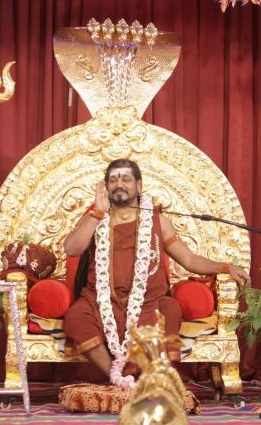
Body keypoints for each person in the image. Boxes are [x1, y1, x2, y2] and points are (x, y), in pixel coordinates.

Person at [62, 159, 250, 388]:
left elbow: (189, 259)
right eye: (113, 180)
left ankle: (142, 378)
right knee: (76, 318)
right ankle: (116, 377)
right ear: (106, 187)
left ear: (139, 186)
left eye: (125, 179)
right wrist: (97, 213)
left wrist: (225, 267)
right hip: (100, 302)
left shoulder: (158, 222)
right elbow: (71, 249)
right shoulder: (95, 217)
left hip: (149, 302)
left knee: (170, 310)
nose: (119, 184)